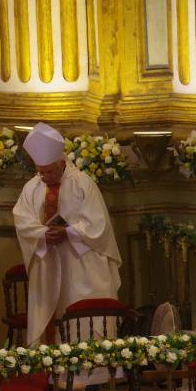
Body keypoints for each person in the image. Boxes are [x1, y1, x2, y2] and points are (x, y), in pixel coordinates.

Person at [13, 122, 121, 347]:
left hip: (81, 263)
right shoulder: (32, 187)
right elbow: (22, 221)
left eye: (49, 171)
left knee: (83, 320)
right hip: (49, 261)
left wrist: (70, 232)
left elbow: (98, 224)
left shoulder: (83, 184)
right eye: (40, 171)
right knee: (52, 316)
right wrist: (42, 234)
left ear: (62, 163)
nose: (44, 176)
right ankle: (53, 373)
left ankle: (91, 372)